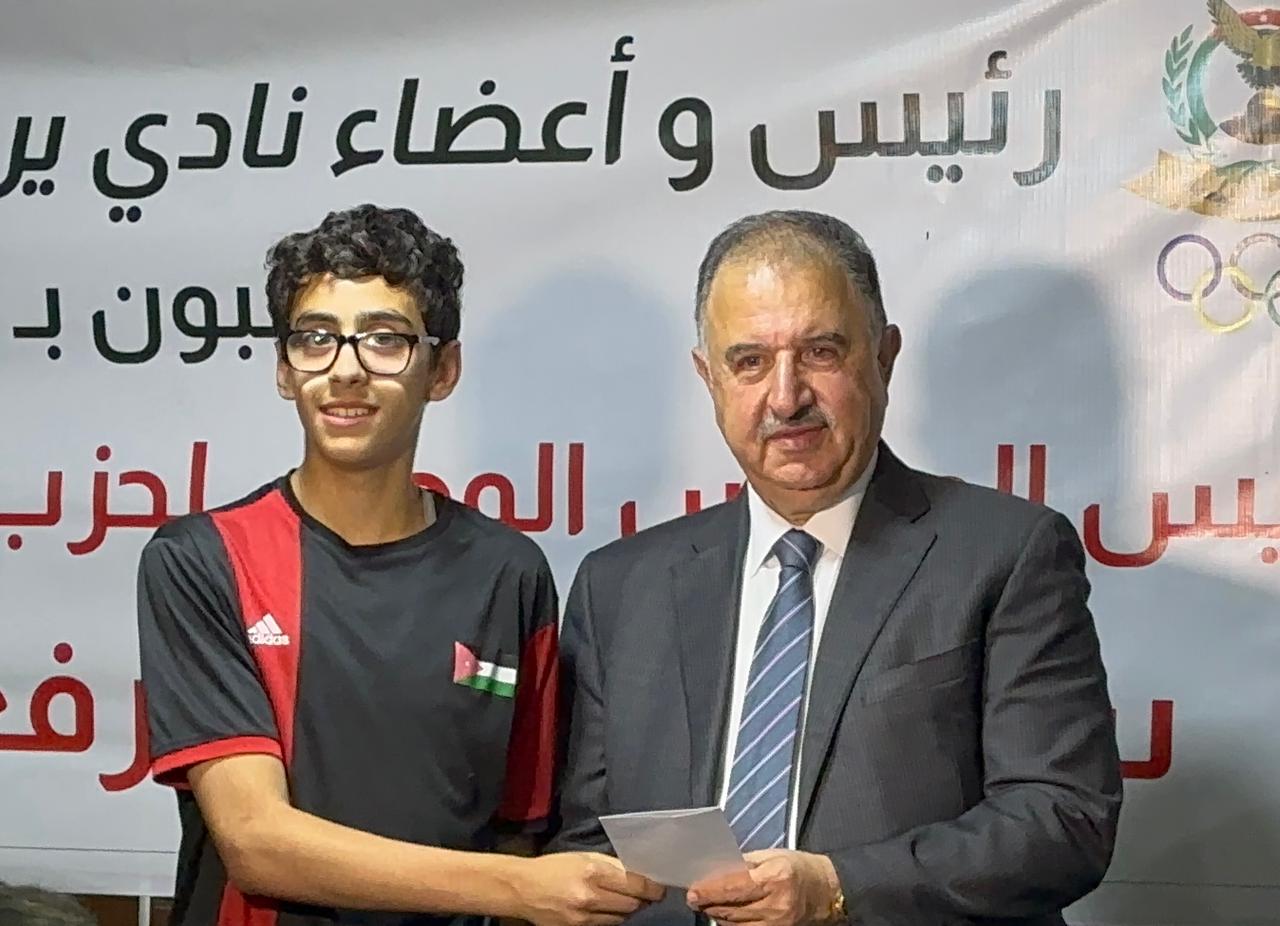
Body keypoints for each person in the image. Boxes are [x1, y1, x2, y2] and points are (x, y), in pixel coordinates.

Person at [549, 210, 1123, 925]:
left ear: (884, 356)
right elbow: (585, 847)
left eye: (820, 352)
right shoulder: (618, 587)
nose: (786, 397)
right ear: (708, 377)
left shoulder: (1007, 553)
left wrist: (837, 887)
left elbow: (1063, 818)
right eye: (749, 362)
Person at [135, 204, 662, 926]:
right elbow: (257, 843)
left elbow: (521, 829)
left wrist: (525, 886)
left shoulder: (509, 574)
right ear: (285, 370)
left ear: (442, 370)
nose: (346, 370)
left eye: (385, 340)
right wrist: (518, 889)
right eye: (316, 339)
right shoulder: (204, 559)